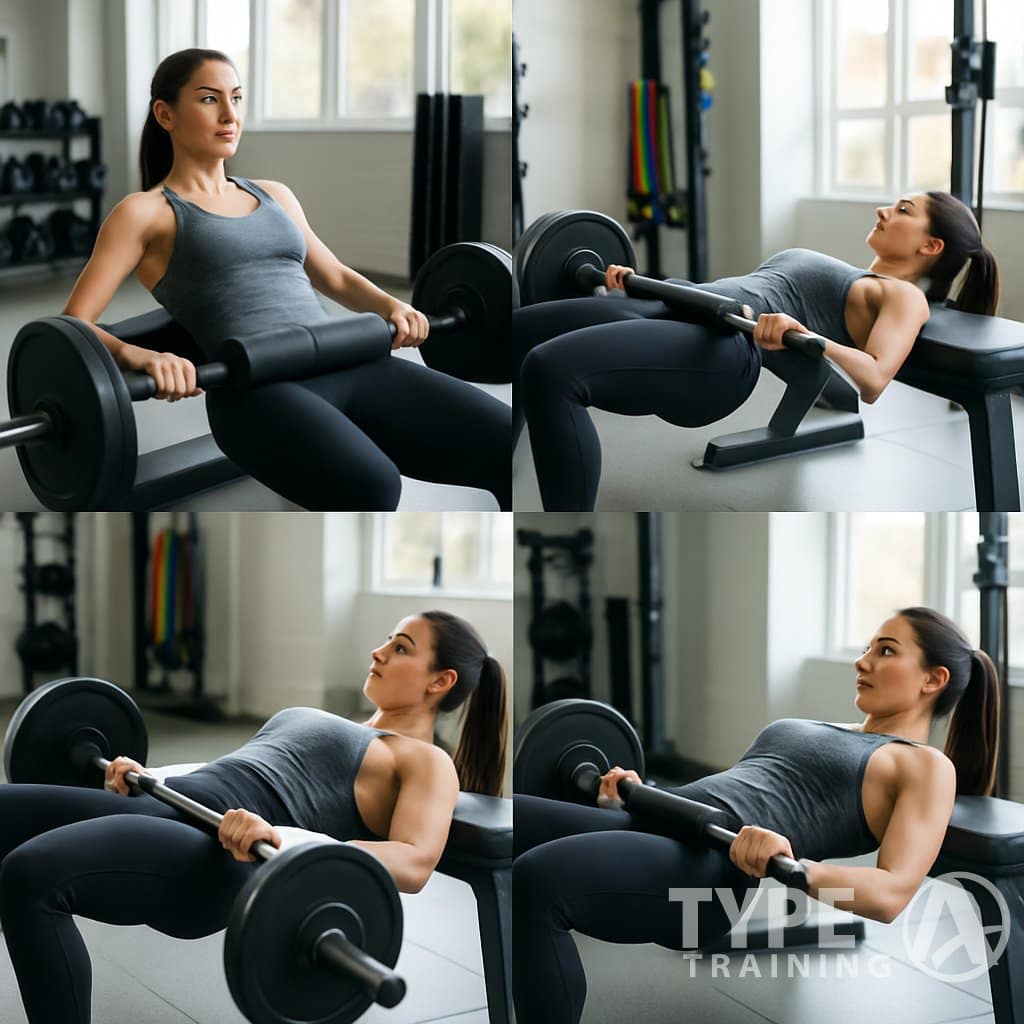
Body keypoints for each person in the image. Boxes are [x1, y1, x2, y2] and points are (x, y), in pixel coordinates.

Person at [0, 611, 508, 1024]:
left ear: (441, 680)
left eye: (401, 647)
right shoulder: (325, 718)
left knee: (29, 875)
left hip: (217, 854)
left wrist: (287, 840)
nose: (379, 651)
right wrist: (144, 770)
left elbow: (415, 861)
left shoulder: (424, 759)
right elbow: (230, 769)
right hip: (166, 800)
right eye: (387, 641)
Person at [58, 48, 511, 511]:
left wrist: (391, 306)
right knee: (373, 486)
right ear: (165, 114)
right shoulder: (145, 212)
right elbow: (75, 324)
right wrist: (143, 355)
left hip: (346, 357)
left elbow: (333, 276)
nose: (231, 114)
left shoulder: (274, 194)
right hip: (256, 389)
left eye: (237, 97)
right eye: (210, 99)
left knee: (506, 440)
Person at [513, 607, 1000, 1024]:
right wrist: (637, 794)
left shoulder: (923, 764)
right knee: (510, 822)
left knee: (537, 876)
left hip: (710, 869)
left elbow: (892, 893)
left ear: (934, 679)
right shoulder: (815, 724)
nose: (863, 660)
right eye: (869, 647)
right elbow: (731, 789)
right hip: (666, 822)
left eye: (887, 651)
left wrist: (796, 867)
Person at [514, 193, 1001, 510]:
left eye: (903, 210)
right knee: (516, 334)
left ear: (931, 245)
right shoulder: (860, 275)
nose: (884, 210)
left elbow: (874, 378)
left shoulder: (905, 297)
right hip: (683, 303)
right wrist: (635, 286)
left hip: (721, 345)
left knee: (551, 370)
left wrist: (805, 334)